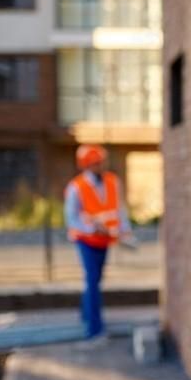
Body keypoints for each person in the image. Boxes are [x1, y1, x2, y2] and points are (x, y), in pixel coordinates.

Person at [64, 145, 133, 340]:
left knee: (95, 280)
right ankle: (94, 327)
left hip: (104, 240)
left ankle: (86, 315)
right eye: (95, 163)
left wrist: (125, 231)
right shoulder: (76, 187)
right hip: (86, 240)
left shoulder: (112, 181)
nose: (100, 166)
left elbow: (119, 209)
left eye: (101, 162)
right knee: (92, 280)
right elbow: (71, 218)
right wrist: (92, 228)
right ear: (86, 165)